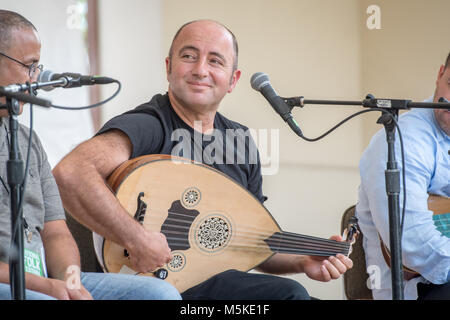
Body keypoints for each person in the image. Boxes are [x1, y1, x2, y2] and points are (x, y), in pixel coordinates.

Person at [53, 19, 353, 300]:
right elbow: (72, 172)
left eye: (215, 60)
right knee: (288, 295)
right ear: (169, 68)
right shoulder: (150, 124)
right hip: (149, 284)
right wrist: (136, 238)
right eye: (189, 56)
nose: (200, 69)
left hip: (215, 285)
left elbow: (249, 241)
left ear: (233, 80)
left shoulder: (240, 141)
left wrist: (303, 259)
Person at [0, 10, 181, 300]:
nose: (36, 77)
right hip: (16, 283)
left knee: (159, 294)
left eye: (38, 66)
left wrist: (70, 282)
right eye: (29, 66)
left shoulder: (29, 141)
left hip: (45, 278)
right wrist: (48, 287)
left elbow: (56, 232)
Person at [355, 52, 450, 300]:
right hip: (418, 288)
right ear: (440, 74)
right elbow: (415, 245)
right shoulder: (404, 138)